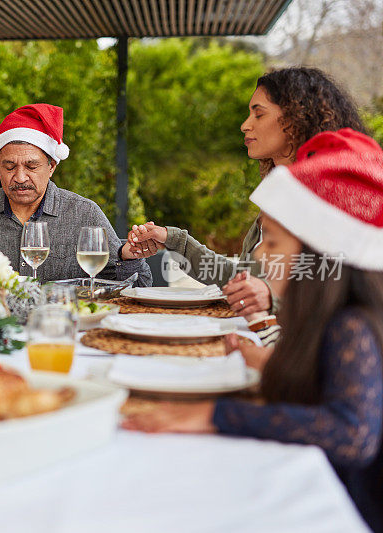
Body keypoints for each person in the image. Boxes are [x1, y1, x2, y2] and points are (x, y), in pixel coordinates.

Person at [123, 129, 383, 532]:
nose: (260, 255)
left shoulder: (351, 325)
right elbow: (325, 387)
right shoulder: (321, 317)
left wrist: (216, 414)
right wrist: (266, 362)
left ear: (319, 257)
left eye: (274, 244)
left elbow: (352, 433)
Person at [127, 67, 367, 317]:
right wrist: (173, 239)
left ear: (296, 121)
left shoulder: (334, 198)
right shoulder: (280, 200)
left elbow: (346, 293)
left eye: (259, 115)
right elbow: (241, 280)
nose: (245, 126)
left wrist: (271, 299)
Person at [0, 103, 152, 286]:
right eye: (9, 167)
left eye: (31, 166)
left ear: (52, 166)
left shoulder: (84, 214)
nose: (19, 177)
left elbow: (139, 284)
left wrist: (127, 257)